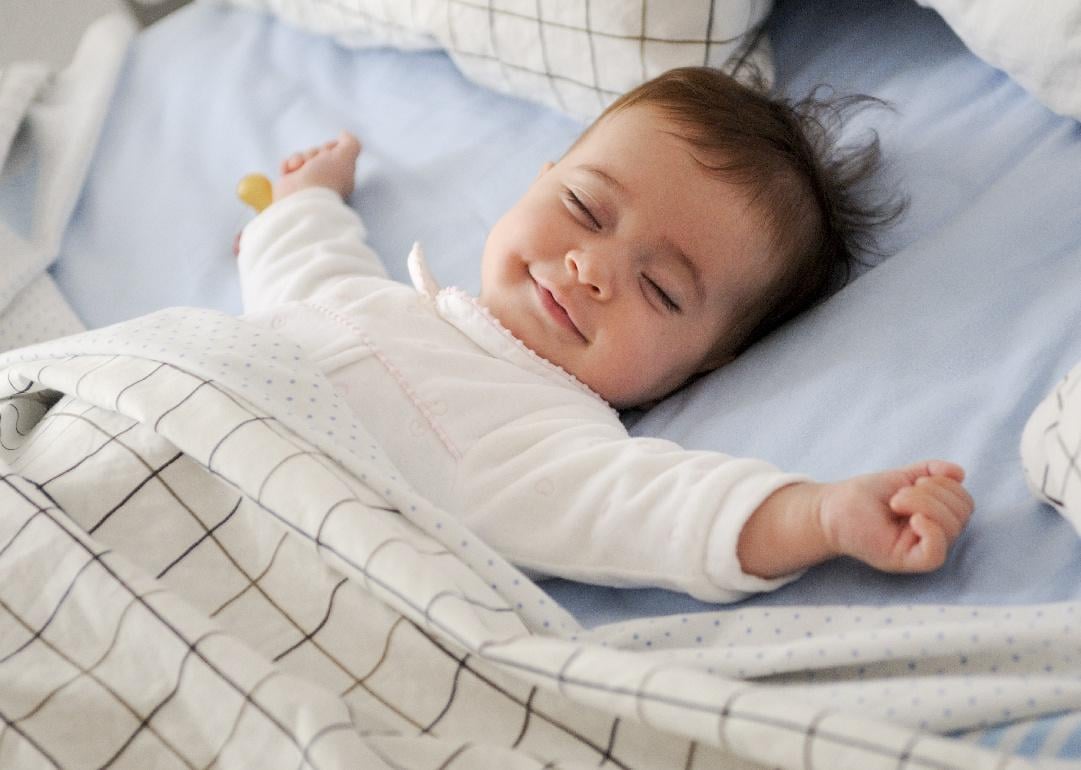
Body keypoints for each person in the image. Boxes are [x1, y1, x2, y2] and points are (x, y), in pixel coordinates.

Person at [236, 67, 972, 602]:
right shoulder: (365, 300)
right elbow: (306, 264)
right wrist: (307, 200)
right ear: (540, 177)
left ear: (708, 363)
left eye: (659, 289)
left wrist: (819, 515)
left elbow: (657, 511)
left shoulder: (541, 438)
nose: (590, 269)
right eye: (585, 207)